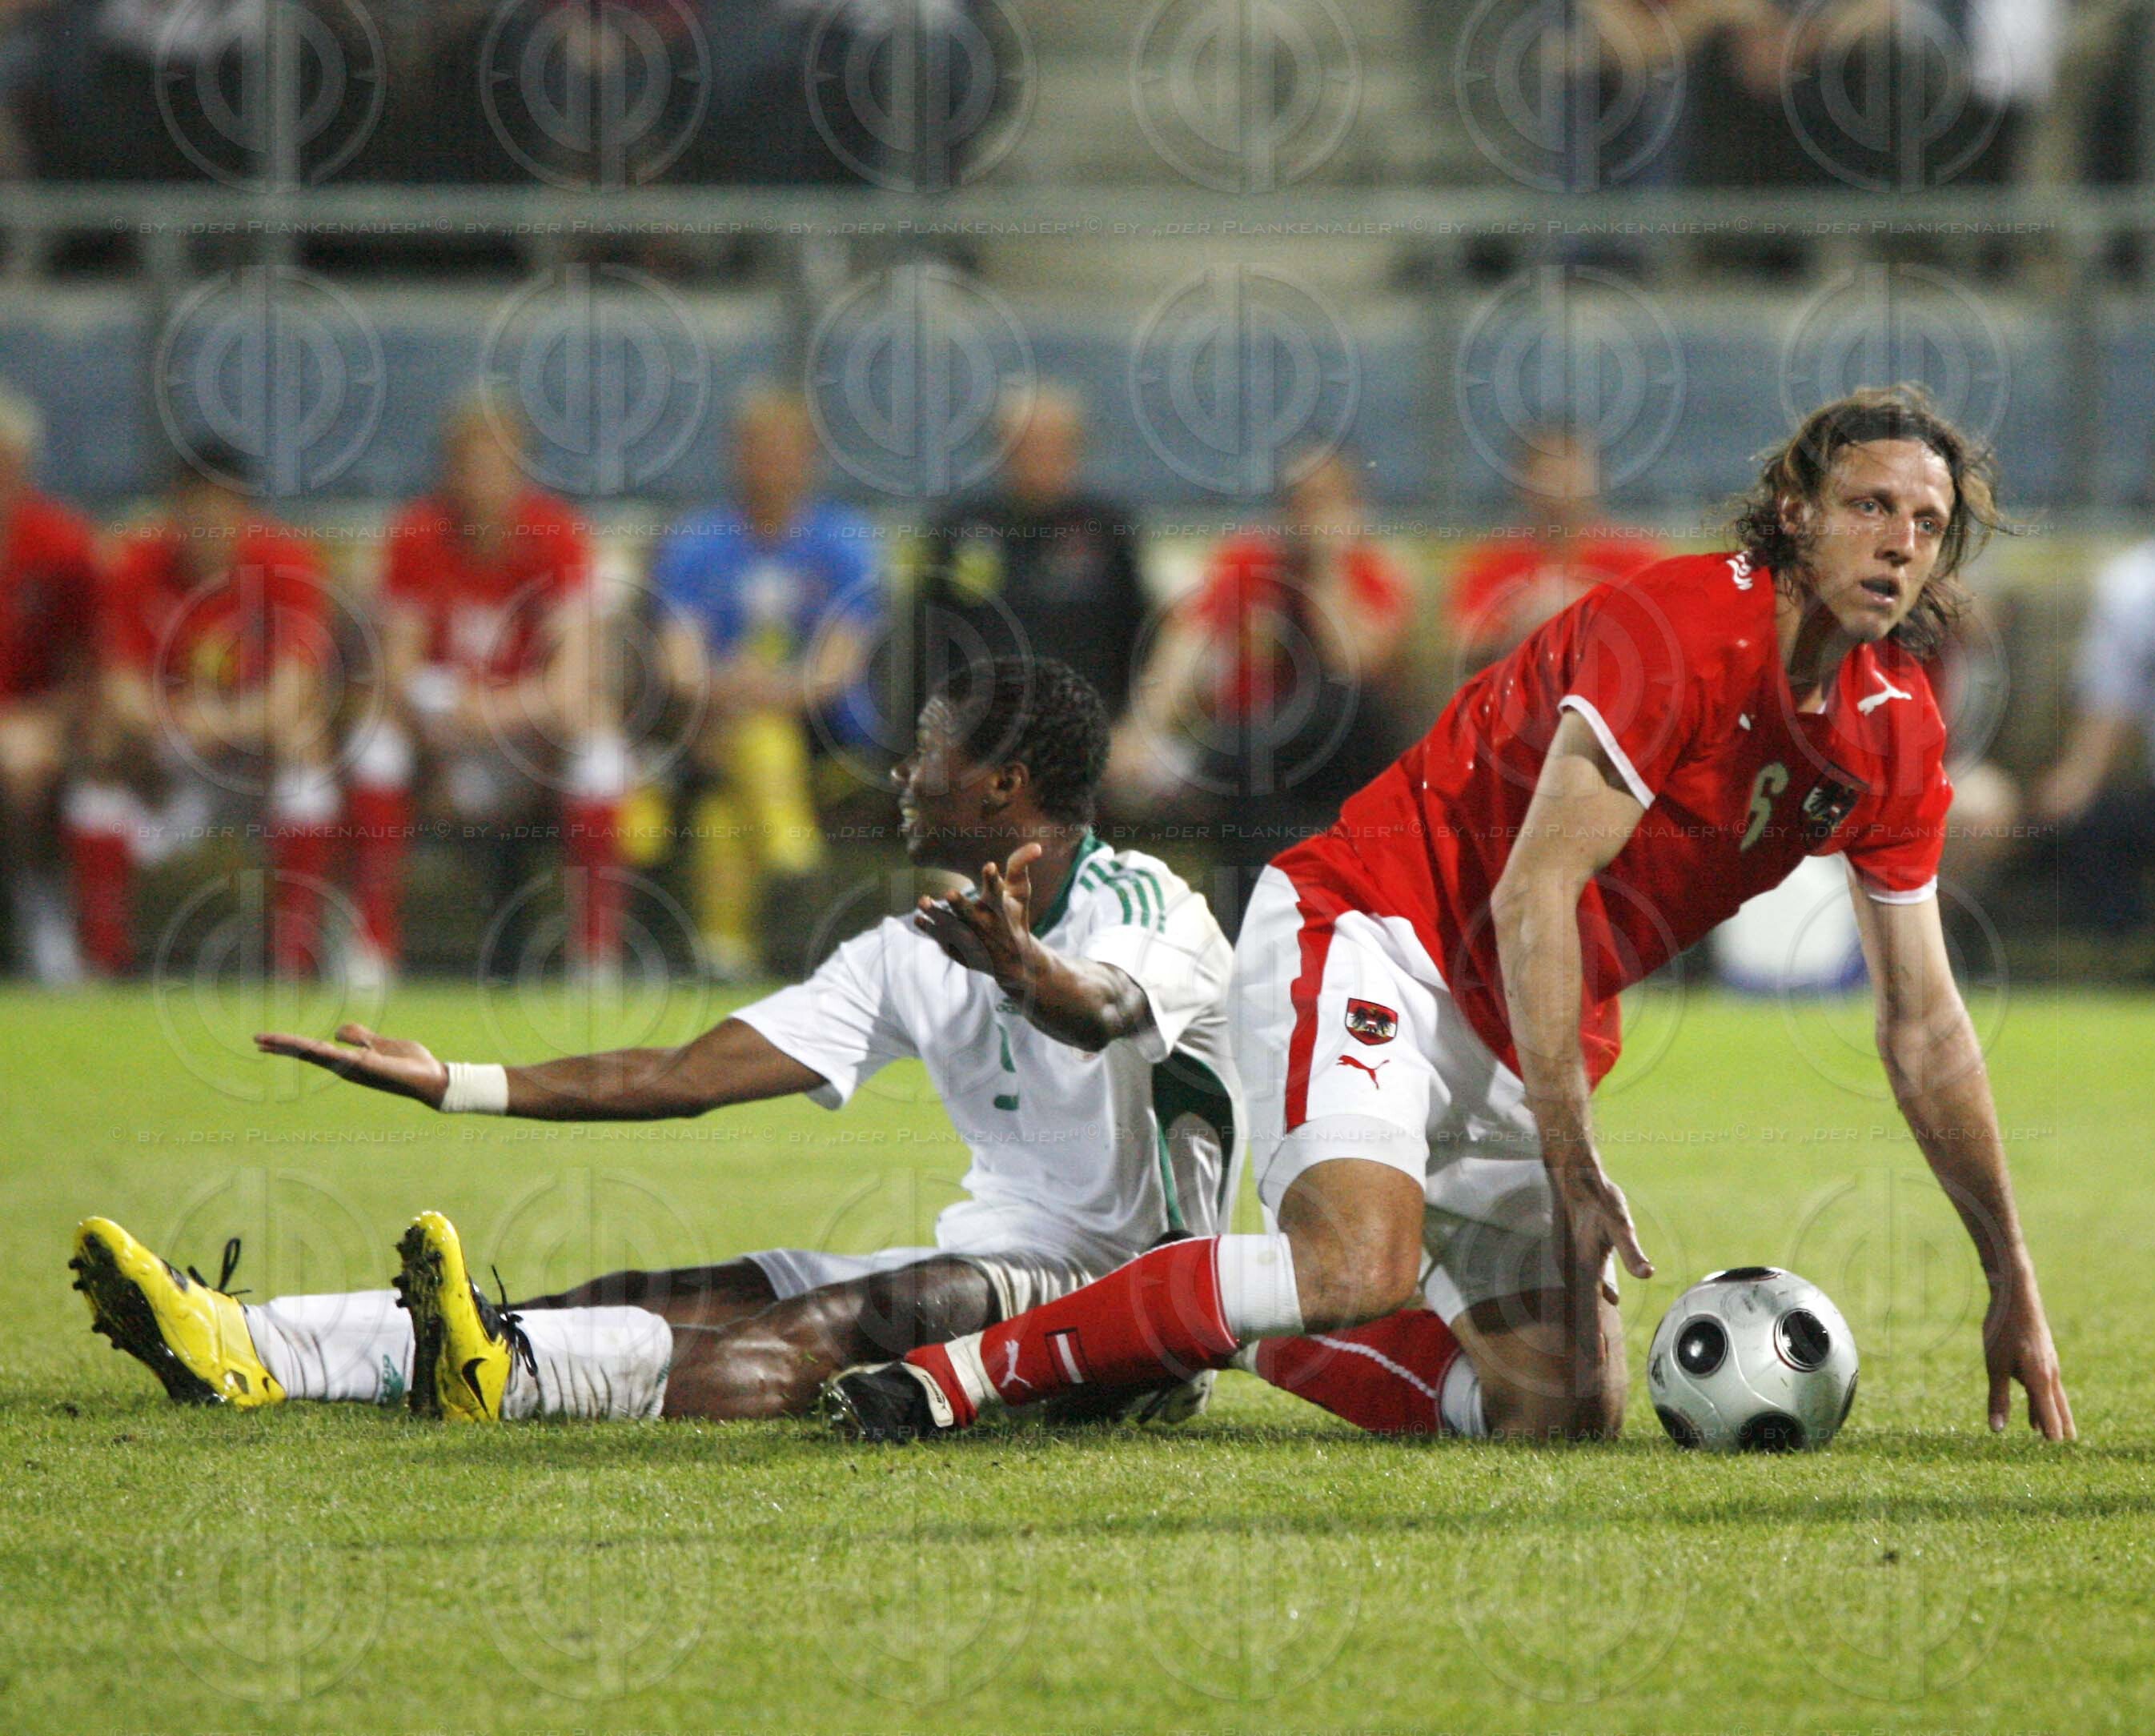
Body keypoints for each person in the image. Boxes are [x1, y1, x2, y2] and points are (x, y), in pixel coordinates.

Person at [825, 386, 2075, 1448]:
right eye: (1870, 505)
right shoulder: (1679, 628)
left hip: (1529, 1013)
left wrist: (2008, 1274)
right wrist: (1570, 1149)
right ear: (1796, 509)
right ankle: (960, 1375)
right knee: (1352, 1267)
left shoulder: (1892, 727)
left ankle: (1205, 1322)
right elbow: (1539, 885)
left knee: (1557, 1410)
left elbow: (1923, 1027)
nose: (1900, 541)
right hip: (1376, 925)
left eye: (1927, 522)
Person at [72, 657, 1245, 1429]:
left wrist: (1021, 966)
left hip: (1128, 1305)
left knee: (821, 1332)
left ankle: (513, 1384)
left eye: (925, 750)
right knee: (655, 1293)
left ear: (1001, 786)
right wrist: (458, 1082)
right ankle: (250, 1342)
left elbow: (1098, 1007)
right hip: (994, 1254)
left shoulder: (1149, 906)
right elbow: (687, 1077)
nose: (902, 772)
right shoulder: (915, 943)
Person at [343, 394, 621, 984]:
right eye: (470, 463)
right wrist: (444, 719)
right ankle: (370, 947)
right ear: (449, 468)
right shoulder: (418, 534)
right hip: (443, 729)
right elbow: (398, 667)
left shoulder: (558, 536)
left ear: (521, 469)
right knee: (373, 744)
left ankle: (596, 954)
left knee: (600, 749)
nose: (484, 479)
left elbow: (573, 681)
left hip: (526, 735)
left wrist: (494, 710)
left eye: (498, 463)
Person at [63, 445, 339, 978]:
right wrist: (182, 725)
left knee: (308, 751)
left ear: (243, 510)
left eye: (222, 507)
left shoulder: (286, 562)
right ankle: (100, 962)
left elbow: (294, 692)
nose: (208, 522)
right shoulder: (135, 564)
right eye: (196, 507)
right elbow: (121, 689)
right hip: (165, 765)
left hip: (247, 765)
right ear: (175, 507)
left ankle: (294, 958)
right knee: (98, 757)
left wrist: (218, 722)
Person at [642, 387, 880, 980]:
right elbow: (679, 667)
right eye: (759, 450)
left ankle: (735, 930)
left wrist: (753, 691)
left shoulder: (846, 544)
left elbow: (835, 671)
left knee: (751, 753)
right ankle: (785, 865)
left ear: (810, 460)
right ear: (736, 456)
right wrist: (732, 691)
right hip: (713, 732)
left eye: (786, 451)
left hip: (825, 741)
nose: (772, 465)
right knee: (727, 791)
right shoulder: (696, 544)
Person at [1114, 446, 1410, 917]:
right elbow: (1187, 642)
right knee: (1244, 768)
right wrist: (1142, 729)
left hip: (1345, 756)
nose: (1310, 514)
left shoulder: (1369, 569)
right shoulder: (1249, 560)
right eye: (1300, 500)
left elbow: (1354, 664)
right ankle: (1252, 925)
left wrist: (1326, 566)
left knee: (1269, 740)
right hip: (1254, 753)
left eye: (1325, 500)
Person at [914, 386, 1150, 721]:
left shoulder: (1107, 528)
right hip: (979, 722)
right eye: (1026, 446)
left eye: (1054, 445)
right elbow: (925, 639)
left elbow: (1138, 633)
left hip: (1085, 722)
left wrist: (1132, 726)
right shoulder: (960, 528)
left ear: (1077, 449)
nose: (1040, 458)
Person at [2034, 429, 2155, 977]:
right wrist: (2076, 779)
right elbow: (2109, 702)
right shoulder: (2136, 584)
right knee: (2090, 824)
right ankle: (2130, 958)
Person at [0, 385, 98, 980]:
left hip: (35, 724)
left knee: (21, 768)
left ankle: (41, 905)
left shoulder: (60, 545)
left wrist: (45, 722)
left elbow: (88, 670)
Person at [1448, 423, 1664, 671]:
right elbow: (1462, 644)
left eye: (1573, 472)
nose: (1563, 484)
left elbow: (1664, 635)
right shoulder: (1494, 558)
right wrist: (1518, 619)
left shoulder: (1633, 555)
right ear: (1522, 482)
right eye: (1549, 472)